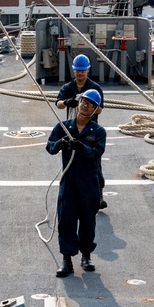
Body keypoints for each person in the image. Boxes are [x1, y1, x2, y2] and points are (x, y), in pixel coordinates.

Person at [46, 89, 107, 278]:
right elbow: (49, 147)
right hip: (69, 182)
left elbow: (97, 153)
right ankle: (67, 260)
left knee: (88, 222)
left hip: (89, 184)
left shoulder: (98, 132)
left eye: (90, 104)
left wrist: (82, 148)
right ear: (78, 102)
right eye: (83, 101)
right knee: (66, 221)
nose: (85, 106)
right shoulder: (64, 127)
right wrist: (60, 144)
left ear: (96, 109)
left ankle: (86, 255)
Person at [56, 54, 107, 209]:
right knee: (71, 163)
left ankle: (98, 196)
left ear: (88, 70)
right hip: (72, 130)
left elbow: (99, 110)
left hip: (90, 132)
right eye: (78, 71)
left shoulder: (95, 88)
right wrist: (67, 103)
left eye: (82, 71)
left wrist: (86, 105)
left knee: (93, 164)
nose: (80, 74)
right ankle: (71, 195)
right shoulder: (68, 88)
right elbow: (58, 103)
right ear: (74, 71)